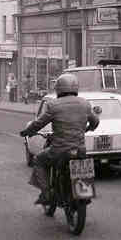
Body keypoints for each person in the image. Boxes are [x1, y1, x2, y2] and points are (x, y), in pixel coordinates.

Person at [19, 73, 100, 205]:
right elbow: (95, 122)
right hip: (80, 149)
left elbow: (39, 123)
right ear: (75, 88)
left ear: (58, 88)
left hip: (59, 150)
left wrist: (28, 132)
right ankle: (85, 194)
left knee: (39, 160)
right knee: (82, 161)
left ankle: (46, 194)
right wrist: (88, 128)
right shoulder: (85, 104)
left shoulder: (53, 105)